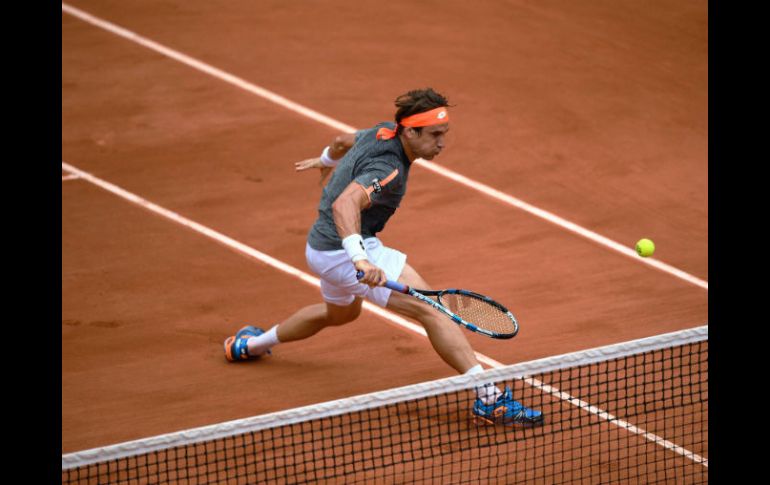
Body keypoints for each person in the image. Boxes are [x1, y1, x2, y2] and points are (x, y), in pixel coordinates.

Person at [223, 88, 543, 426]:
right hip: (342, 250)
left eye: (444, 134)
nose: (441, 143)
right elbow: (345, 204)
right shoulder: (387, 170)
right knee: (433, 309)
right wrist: (360, 260)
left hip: (321, 247)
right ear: (410, 131)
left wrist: (327, 160)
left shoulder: (381, 131)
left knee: (340, 314)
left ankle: (248, 345)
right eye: (434, 135)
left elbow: (342, 140)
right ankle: (489, 399)